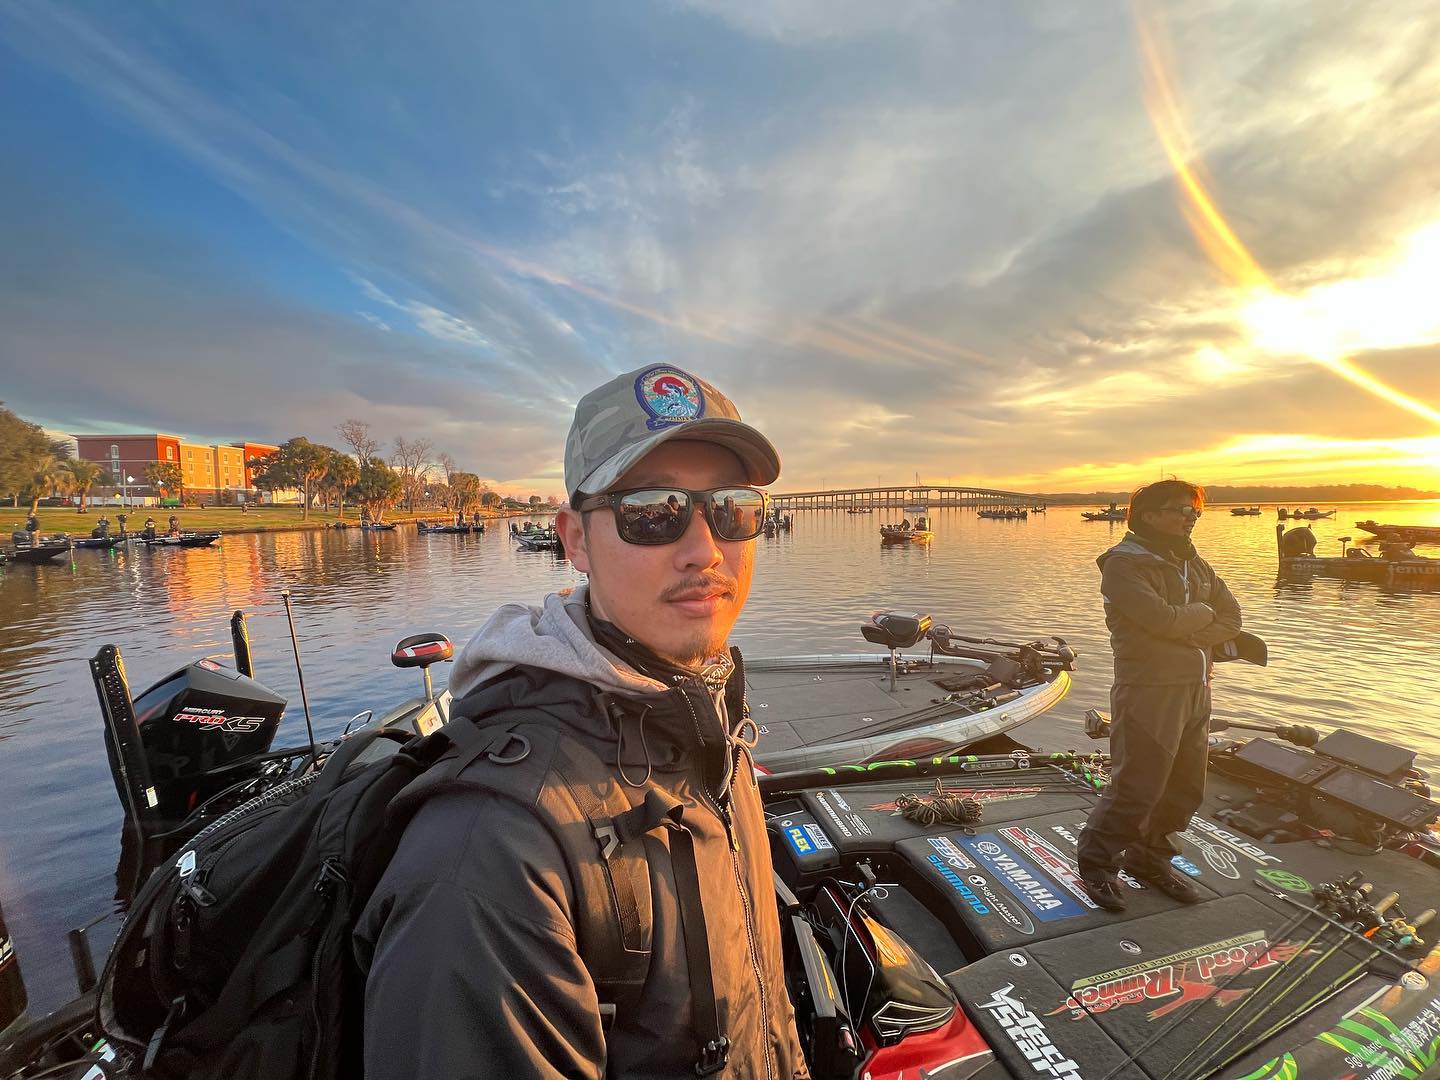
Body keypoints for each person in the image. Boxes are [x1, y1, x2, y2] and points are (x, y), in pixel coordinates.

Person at [357, 365, 806, 1079]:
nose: (705, 549)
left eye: (732, 508)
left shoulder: (707, 721)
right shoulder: (492, 854)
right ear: (575, 541)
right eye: (652, 512)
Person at [1076, 479, 1243, 912]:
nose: (1191, 517)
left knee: (1185, 787)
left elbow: (1233, 618)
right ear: (1149, 515)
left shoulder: (1195, 564)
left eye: (1195, 511)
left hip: (1197, 689)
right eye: (1182, 509)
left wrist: (1187, 626)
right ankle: (1097, 865)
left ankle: (1150, 859)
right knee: (1137, 785)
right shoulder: (1123, 566)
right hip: (1148, 690)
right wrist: (1199, 617)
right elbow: (1161, 620)